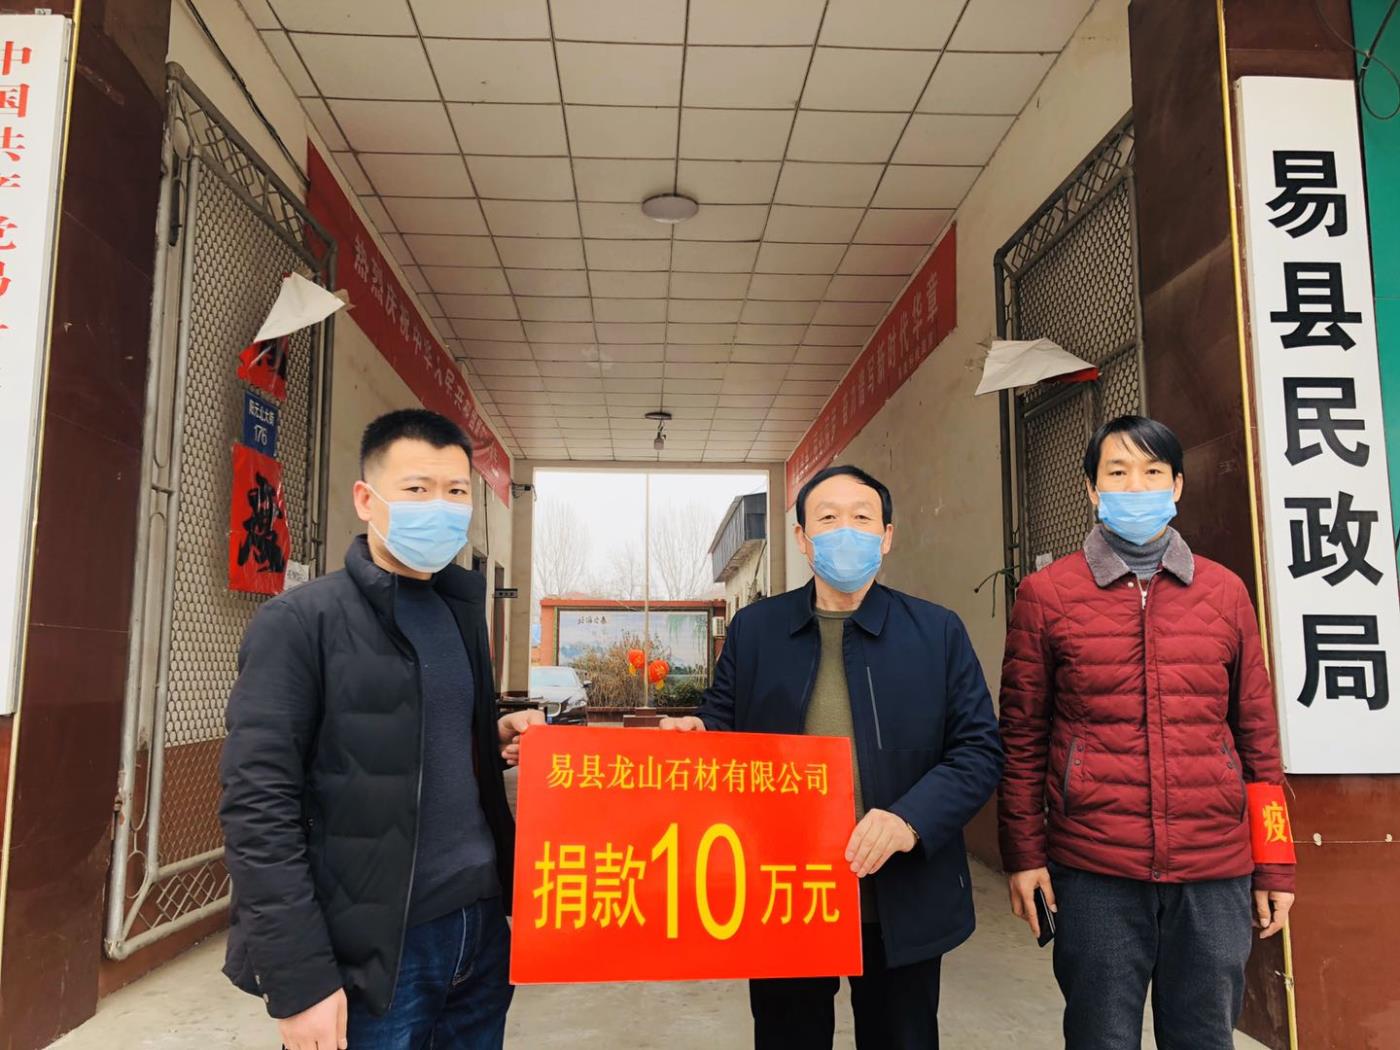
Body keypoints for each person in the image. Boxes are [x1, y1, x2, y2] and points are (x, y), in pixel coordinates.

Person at [219, 409, 541, 1050]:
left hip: (478, 929)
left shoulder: (459, 612)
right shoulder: (300, 623)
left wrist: (492, 735)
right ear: (367, 500)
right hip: (372, 951)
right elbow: (257, 809)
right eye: (417, 489)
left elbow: (421, 730)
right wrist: (299, 980)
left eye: (456, 491)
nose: (440, 507)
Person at [662, 465, 1004, 1050]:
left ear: (887, 536)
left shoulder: (936, 632)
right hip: (785, 893)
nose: (846, 530)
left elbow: (978, 749)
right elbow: (723, 723)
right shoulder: (756, 630)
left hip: (900, 894)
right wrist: (698, 732)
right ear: (802, 538)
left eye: (862, 517)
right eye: (827, 518)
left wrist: (910, 819)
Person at [998, 415, 1297, 1050]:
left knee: (1204, 1037)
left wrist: (1274, 861)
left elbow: (1256, 734)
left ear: (1177, 485)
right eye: (1118, 472)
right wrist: (1024, 856)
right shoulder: (1046, 596)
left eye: (1152, 471)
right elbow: (1021, 739)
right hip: (1095, 868)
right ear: (1091, 488)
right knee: (1100, 1037)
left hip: (1212, 868)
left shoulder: (1224, 593)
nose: (1136, 486)